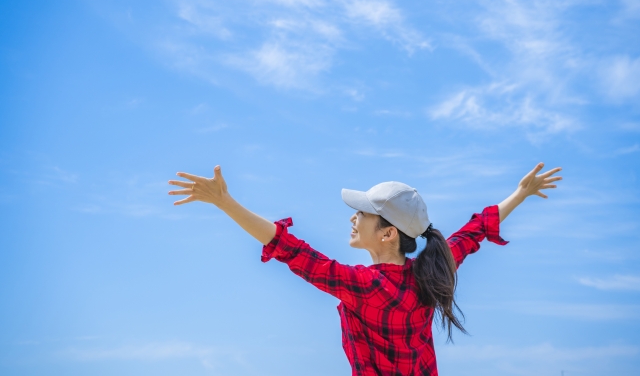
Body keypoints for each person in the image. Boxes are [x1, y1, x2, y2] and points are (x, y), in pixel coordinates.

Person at [168, 162, 562, 376]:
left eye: (363, 214)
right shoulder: (434, 270)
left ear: (388, 233)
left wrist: (226, 203)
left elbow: (290, 249)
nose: (353, 219)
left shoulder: (363, 285)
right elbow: (472, 234)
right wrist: (521, 195)